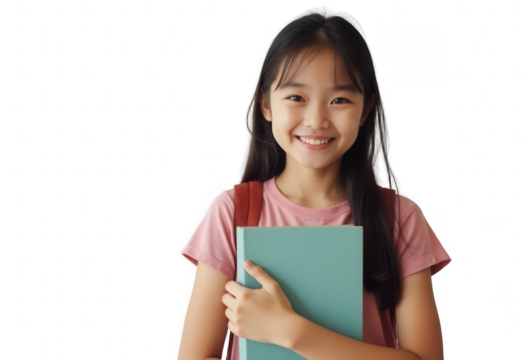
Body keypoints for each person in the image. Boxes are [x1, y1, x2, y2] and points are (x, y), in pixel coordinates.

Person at [178, 6, 452, 360]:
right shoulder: (231, 212)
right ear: (265, 103)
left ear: (366, 109)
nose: (316, 119)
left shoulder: (400, 216)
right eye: (296, 97)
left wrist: (290, 331)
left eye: (339, 100)